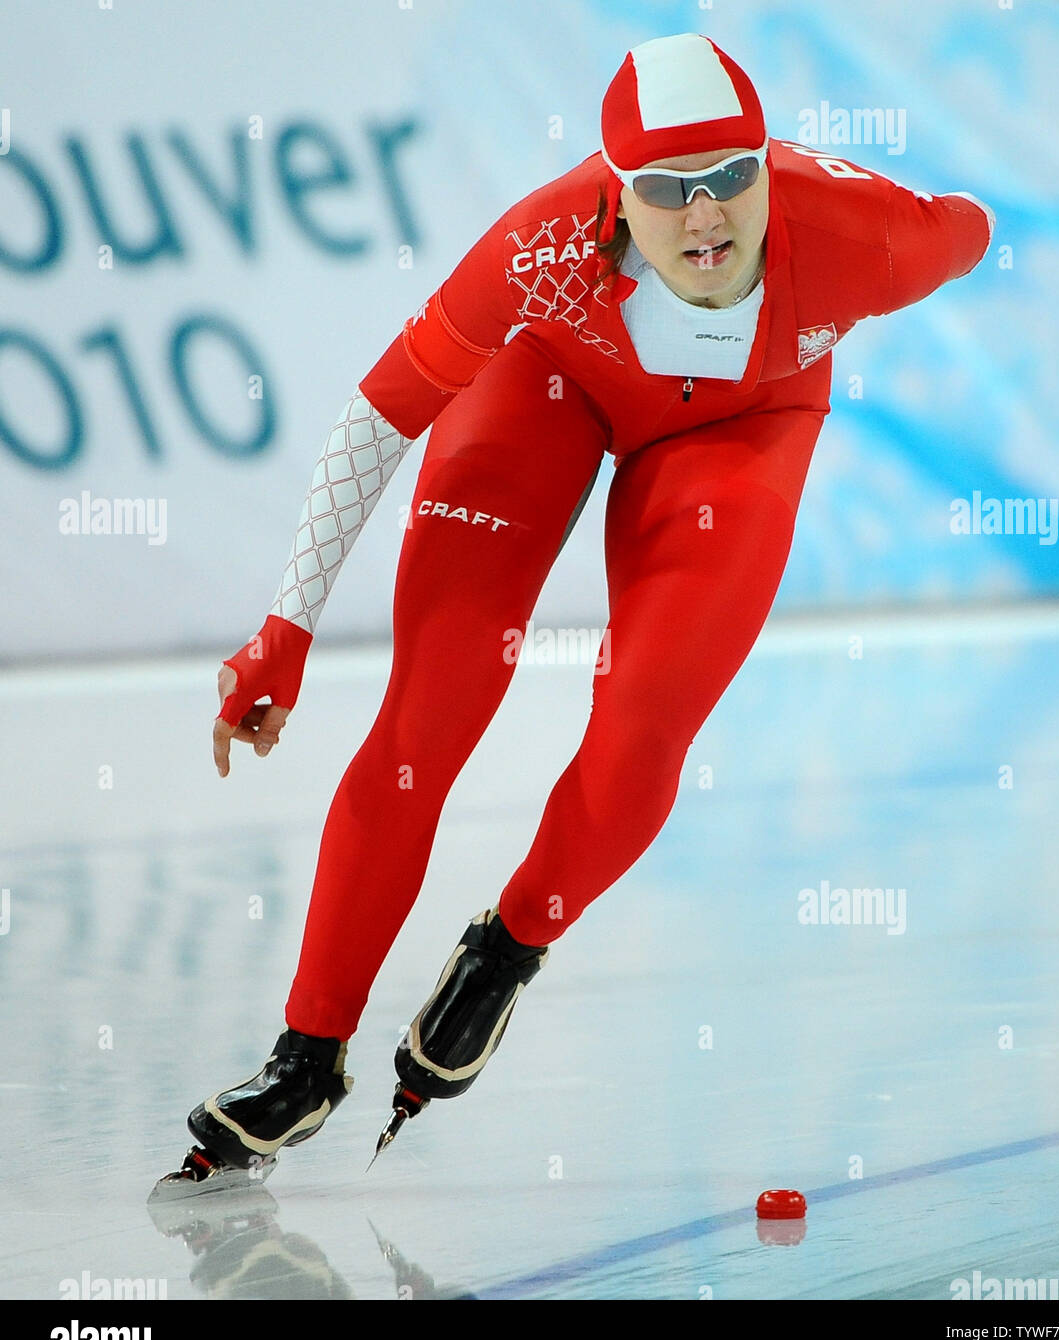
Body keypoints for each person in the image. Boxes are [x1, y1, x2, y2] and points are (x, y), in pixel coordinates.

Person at [165, 33, 995, 1183]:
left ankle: (503, 952)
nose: (705, 219)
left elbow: (968, 227)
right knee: (429, 713)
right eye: (665, 191)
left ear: (768, 163)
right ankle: (305, 1056)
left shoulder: (865, 239)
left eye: (729, 179)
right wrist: (286, 626)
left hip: (733, 430)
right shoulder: (541, 245)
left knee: (642, 728)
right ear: (615, 190)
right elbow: (381, 415)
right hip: (546, 381)